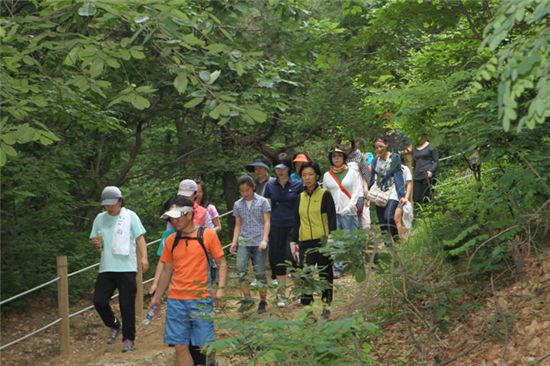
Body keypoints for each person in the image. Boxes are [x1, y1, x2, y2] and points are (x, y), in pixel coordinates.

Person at [149, 198, 227, 366]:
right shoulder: (170, 240)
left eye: (178, 217)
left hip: (201, 299)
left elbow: (222, 263)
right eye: (171, 218)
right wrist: (157, 297)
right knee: (180, 347)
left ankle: (211, 362)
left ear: (190, 214)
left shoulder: (208, 235)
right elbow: (166, 272)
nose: (174, 221)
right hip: (176, 300)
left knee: (204, 346)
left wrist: (220, 288)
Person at [89, 186, 149, 353]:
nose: (110, 207)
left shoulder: (130, 216)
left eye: (112, 203)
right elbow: (95, 239)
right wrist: (95, 243)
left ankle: (129, 339)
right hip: (107, 267)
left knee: (126, 305)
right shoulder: (100, 218)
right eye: (106, 204)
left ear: (120, 201)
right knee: (99, 301)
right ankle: (114, 324)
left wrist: (144, 257)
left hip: (126, 268)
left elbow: (140, 238)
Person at [290, 161, 337, 319]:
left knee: (325, 274)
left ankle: (326, 306)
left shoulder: (325, 195)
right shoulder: (299, 198)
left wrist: (331, 239)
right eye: (304, 175)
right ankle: (308, 309)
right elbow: (296, 221)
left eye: (310, 174)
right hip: (305, 242)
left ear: (317, 175)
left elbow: (332, 220)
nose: (307, 178)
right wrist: (293, 240)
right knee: (305, 275)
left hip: (322, 241)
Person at [150, 179, 213, 295]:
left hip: (199, 261)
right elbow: (166, 249)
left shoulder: (203, 212)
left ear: (195, 195)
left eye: (187, 195)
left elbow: (211, 235)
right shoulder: (172, 215)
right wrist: (156, 282)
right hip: (179, 261)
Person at [264, 157, 303, 307]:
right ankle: (282, 296)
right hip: (276, 227)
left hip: (293, 226)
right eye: (277, 169)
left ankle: (299, 293)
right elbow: (267, 208)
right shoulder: (270, 185)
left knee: (293, 258)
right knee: (278, 260)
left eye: (283, 168)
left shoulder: (298, 185)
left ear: (289, 169)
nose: (280, 171)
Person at [229, 176, 271, 314]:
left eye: (247, 190)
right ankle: (247, 299)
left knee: (259, 272)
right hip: (244, 240)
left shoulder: (263, 201)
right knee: (241, 269)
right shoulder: (238, 204)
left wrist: (265, 239)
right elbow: (238, 224)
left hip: (259, 240)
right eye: (242, 191)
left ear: (253, 187)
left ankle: (263, 301)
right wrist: (234, 242)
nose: (245, 193)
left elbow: (266, 222)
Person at [322, 146, 363, 277]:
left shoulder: (352, 173)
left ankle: (357, 265)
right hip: (334, 212)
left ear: (344, 157)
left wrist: (350, 206)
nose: (337, 158)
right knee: (336, 240)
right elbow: (325, 194)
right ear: (331, 159)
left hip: (349, 211)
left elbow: (357, 191)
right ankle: (338, 268)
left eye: (339, 156)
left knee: (352, 238)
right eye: (334, 156)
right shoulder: (327, 176)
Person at [368, 137, 407, 240]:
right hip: (380, 192)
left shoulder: (394, 158)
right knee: (382, 222)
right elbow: (372, 178)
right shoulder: (375, 161)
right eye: (376, 147)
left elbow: (398, 177)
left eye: (381, 146)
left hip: (393, 190)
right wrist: (368, 193)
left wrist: (402, 195)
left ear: (387, 145)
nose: (379, 149)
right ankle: (388, 245)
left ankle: (396, 240)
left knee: (388, 217)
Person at [413, 137, 439, 207]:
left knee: (427, 196)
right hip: (416, 176)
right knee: (416, 197)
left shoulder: (431, 145)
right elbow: (414, 163)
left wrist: (431, 171)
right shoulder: (414, 148)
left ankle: (428, 212)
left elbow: (436, 161)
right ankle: (419, 214)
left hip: (427, 174)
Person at [393, 165, 413, 239]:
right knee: (394, 219)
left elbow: (409, 183)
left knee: (396, 218)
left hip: (401, 197)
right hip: (389, 197)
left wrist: (406, 198)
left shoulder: (405, 168)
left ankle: (403, 239)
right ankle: (399, 239)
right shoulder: (388, 167)